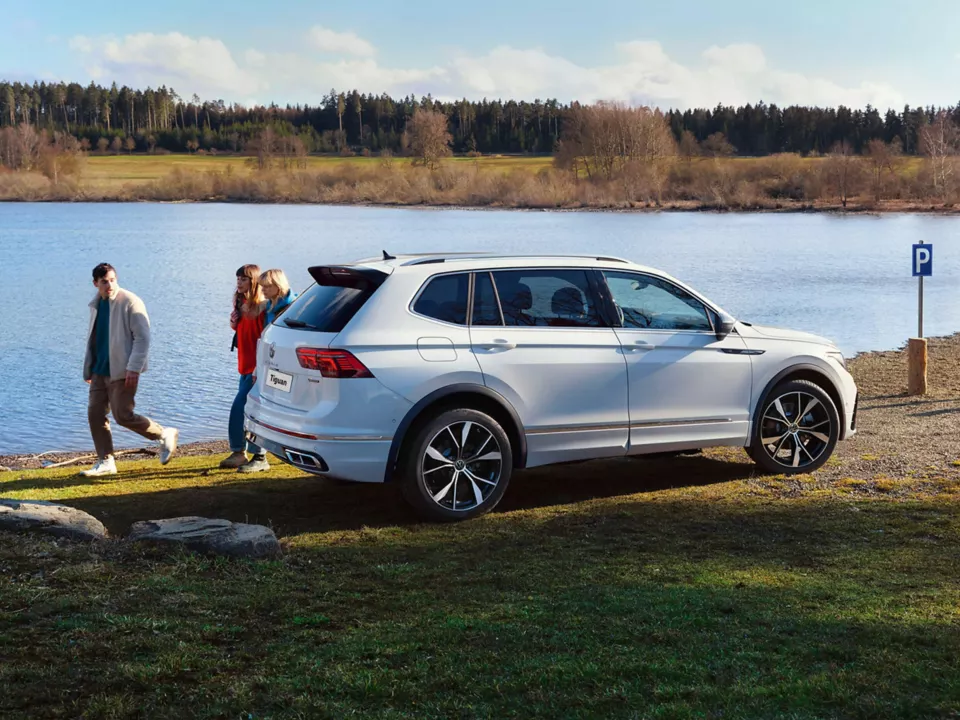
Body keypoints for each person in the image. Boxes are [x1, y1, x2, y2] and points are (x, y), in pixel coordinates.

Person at [81, 263, 179, 477]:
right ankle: (106, 461)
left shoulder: (130, 302)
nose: (109, 285)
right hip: (99, 371)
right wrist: (89, 368)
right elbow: (95, 338)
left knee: (123, 416)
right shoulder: (97, 303)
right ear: (95, 283)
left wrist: (133, 368)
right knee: (94, 414)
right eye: (104, 281)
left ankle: (163, 434)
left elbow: (143, 338)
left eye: (112, 280)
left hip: (122, 370)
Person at [220, 264, 270, 473]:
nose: (239, 283)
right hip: (244, 364)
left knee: (243, 408)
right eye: (237, 279)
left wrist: (261, 367)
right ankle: (242, 453)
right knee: (247, 409)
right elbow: (240, 329)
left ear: (253, 281)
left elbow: (265, 336)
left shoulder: (263, 305)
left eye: (243, 279)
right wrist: (233, 322)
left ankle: (255, 455)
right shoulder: (239, 300)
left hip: (257, 367)